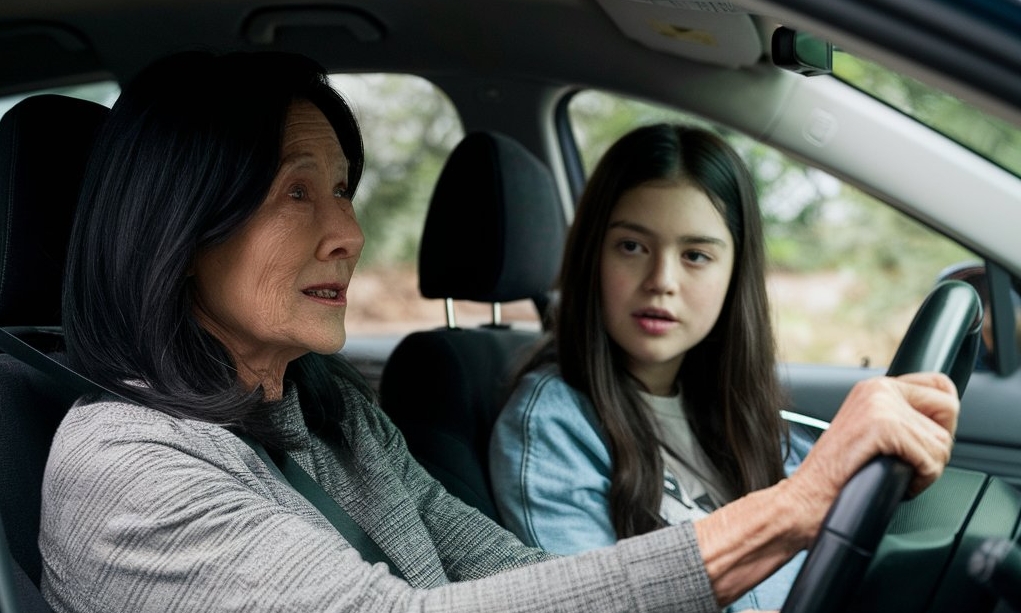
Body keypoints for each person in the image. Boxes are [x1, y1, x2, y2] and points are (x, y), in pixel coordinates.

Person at [39, 49, 959, 613]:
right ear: (180, 226)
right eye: (296, 193)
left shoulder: (330, 413)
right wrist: (791, 510)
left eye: (345, 191)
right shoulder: (122, 469)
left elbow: (511, 576)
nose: (350, 235)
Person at [487, 124, 808, 611]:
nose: (662, 281)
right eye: (632, 247)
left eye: (696, 255)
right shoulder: (554, 423)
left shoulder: (737, 412)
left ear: (734, 274)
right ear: (592, 255)